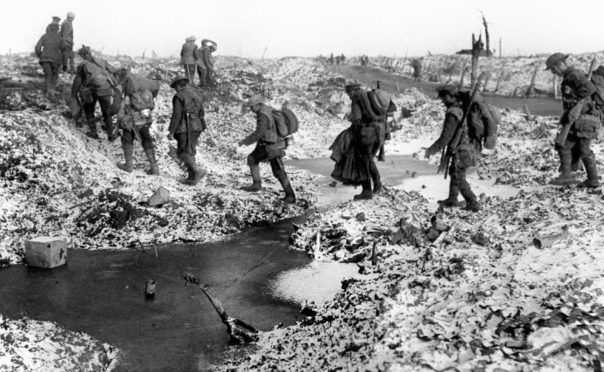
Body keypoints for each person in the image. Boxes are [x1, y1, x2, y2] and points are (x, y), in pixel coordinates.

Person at [545, 53, 600, 188]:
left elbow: (590, 89)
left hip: (585, 121)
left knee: (584, 150)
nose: (553, 72)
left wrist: (578, 105)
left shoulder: (574, 76)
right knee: (564, 146)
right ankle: (566, 176)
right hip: (575, 121)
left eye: (553, 69)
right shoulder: (569, 77)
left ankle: (593, 181)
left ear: (560, 65)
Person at [424, 86, 481, 212]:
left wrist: (431, 150)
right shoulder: (462, 109)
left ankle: (472, 202)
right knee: (453, 172)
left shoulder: (453, 114)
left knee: (458, 176)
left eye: (444, 98)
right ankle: (452, 198)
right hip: (468, 148)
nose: (443, 101)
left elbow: (445, 138)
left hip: (462, 150)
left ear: (449, 97)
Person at [238, 94, 296, 204]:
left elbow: (259, 133)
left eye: (252, 107)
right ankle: (257, 184)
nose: (251, 109)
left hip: (272, 146)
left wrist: (245, 141)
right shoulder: (268, 109)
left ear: (258, 105)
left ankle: (290, 195)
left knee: (279, 171)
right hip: (267, 144)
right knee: (252, 159)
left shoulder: (262, 115)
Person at [330, 83, 383, 200]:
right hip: (375, 131)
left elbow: (357, 121)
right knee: (368, 159)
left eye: (348, 93)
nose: (348, 96)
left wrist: (351, 131)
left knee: (361, 162)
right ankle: (378, 184)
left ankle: (367, 191)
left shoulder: (356, 98)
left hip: (364, 134)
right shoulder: (367, 95)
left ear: (352, 90)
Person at [115, 69, 161, 175]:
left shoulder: (129, 94)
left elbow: (122, 109)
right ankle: (154, 168)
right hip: (144, 119)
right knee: (146, 140)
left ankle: (128, 165)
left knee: (126, 138)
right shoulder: (146, 92)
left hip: (132, 120)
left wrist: (120, 119)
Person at [71, 45, 119, 140]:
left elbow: (78, 81)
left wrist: (74, 94)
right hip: (105, 89)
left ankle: (93, 132)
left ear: (83, 55)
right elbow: (114, 70)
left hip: (90, 91)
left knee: (89, 110)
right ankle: (111, 135)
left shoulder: (83, 65)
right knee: (107, 112)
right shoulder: (101, 61)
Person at [168, 76, 207, 185]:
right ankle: (192, 177)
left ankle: (197, 171)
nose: (175, 89)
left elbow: (176, 115)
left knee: (183, 152)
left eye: (175, 87)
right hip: (197, 126)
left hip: (185, 127)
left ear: (178, 86)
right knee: (190, 150)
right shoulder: (195, 94)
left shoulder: (179, 96)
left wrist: (171, 131)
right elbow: (201, 112)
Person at [35, 24, 62, 93]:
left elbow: (37, 48)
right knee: (55, 74)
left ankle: (48, 90)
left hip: (45, 59)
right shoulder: (59, 37)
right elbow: (63, 48)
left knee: (48, 74)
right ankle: (52, 89)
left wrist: (41, 55)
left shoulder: (44, 36)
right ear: (57, 29)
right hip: (55, 59)